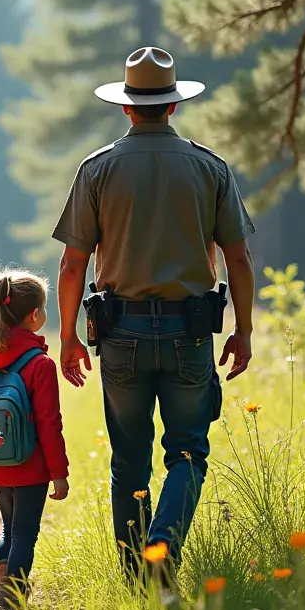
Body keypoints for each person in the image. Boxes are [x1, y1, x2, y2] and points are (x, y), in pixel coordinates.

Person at [53, 47, 256, 575]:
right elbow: (238, 256)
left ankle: (135, 577)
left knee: (128, 461)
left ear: (126, 107)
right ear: (173, 107)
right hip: (191, 334)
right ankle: (162, 545)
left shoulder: (96, 169)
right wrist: (244, 332)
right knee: (188, 452)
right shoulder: (209, 167)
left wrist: (69, 336)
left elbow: (73, 263)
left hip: (120, 335)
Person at [0, 270, 69, 610]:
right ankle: (9, 600)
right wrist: (59, 474)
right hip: (32, 465)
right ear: (36, 315)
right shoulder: (40, 364)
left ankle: (1, 591)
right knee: (25, 533)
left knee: (8, 529)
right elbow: (50, 424)